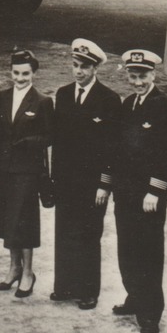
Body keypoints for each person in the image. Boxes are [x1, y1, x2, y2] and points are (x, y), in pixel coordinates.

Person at [99, 50, 167, 333]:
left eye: (142, 76)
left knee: (148, 253)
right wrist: (108, 184)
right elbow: (115, 149)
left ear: (153, 75)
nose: (137, 82)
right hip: (125, 193)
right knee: (127, 249)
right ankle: (134, 296)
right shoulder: (127, 105)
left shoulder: (165, 106)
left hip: (148, 197)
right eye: (133, 77)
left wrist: (155, 190)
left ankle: (150, 313)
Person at [48, 39, 121, 310]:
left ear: (96, 69)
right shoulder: (64, 94)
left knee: (89, 234)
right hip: (66, 180)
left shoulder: (109, 100)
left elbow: (112, 147)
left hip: (92, 184)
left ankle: (89, 290)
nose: (78, 72)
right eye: (75, 65)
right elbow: (58, 141)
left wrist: (105, 183)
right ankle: (65, 286)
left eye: (85, 67)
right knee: (64, 232)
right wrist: (54, 179)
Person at [0, 50, 54, 297]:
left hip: (27, 170)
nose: (20, 78)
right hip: (4, 168)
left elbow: (49, 136)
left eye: (25, 73)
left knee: (23, 221)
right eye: (16, 73)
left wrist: (29, 141)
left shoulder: (42, 101)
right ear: (10, 72)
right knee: (7, 219)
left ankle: (28, 273)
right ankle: (14, 268)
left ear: (33, 73)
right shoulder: (2, 97)